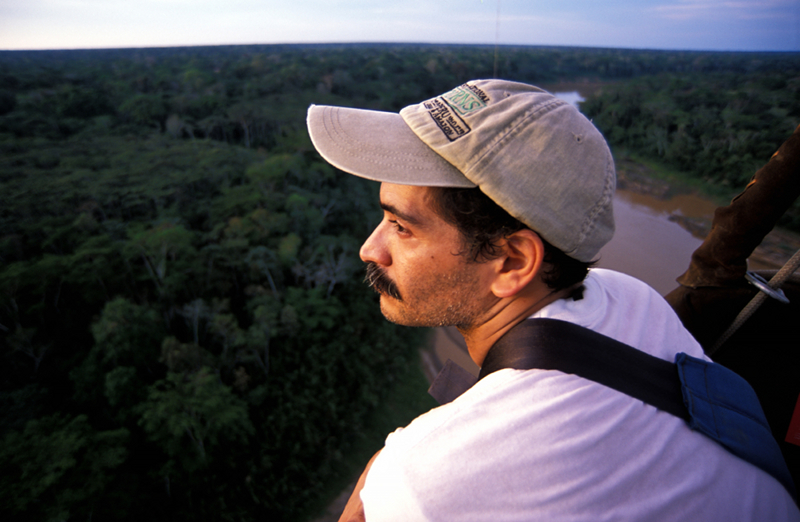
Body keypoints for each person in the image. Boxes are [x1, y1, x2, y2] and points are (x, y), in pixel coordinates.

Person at [306, 80, 799, 521]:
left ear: (514, 261)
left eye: (400, 226)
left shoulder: (428, 483)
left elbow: (432, 481)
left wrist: (392, 467)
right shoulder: (628, 295)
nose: (370, 249)